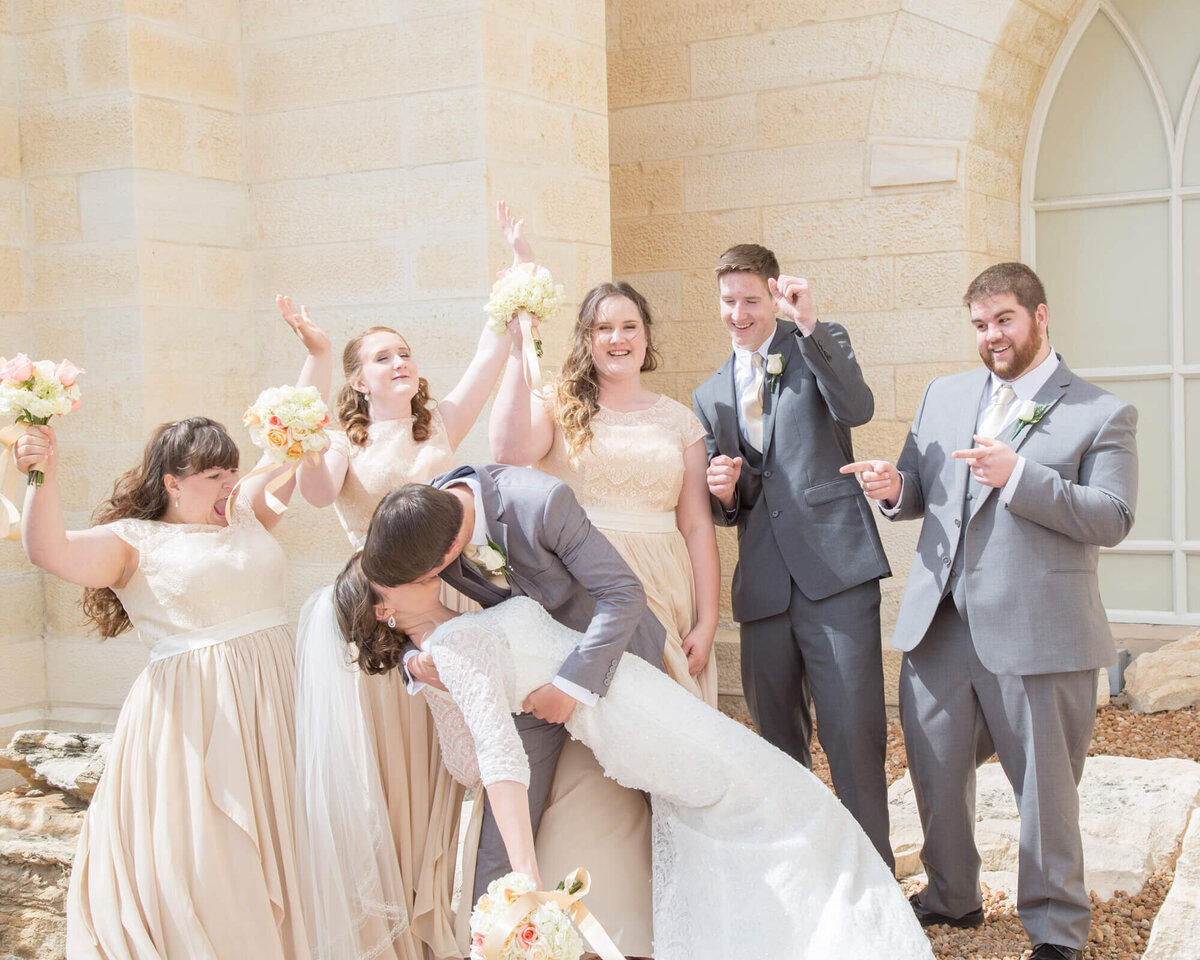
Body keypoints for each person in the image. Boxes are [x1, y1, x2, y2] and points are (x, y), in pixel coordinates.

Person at [323, 506, 936, 960]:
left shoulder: (458, 626)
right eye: (382, 572)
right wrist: (526, 879)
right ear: (383, 608)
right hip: (627, 721)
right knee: (773, 797)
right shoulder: (449, 649)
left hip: (640, 693)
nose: (396, 563)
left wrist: (418, 668)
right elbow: (489, 759)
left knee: (755, 803)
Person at [843, 262, 1138, 960]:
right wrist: (894, 488)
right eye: (980, 324)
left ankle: (1057, 930)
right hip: (939, 624)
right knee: (934, 767)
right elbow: (925, 486)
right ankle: (953, 896)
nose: (992, 336)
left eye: (1004, 319)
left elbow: (1114, 516)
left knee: (1045, 794)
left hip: (1039, 633)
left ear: (1040, 316)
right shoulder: (945, 394)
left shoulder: (1100, 412)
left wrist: (1022, 478)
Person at [14, 417, 310, 960]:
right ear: (173, 482)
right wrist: (40, 475)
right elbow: (48, 552)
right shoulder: (132, 541)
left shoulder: (245, 514)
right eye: (215, 474)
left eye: (234, 471)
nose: (230, 484)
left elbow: (293, 432)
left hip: (277, 701)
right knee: (213, 849)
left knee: (290, 836)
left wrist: (313, 353)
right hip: (196, 714)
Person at [691, 243, 893, 867]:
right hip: (764, 588)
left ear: (775, 296)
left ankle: (871, 877)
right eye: (729, 301)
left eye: (751, 300)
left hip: (836, 572)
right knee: (778, 740)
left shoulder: (815, 344)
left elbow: (858, 409)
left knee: (853, 732)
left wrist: (808, 325)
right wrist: (724, 493)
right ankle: (806, 871)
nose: (739, 313)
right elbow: (744, 497)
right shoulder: (709, 394)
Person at [489, 204, 721, 706]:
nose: (618, 338)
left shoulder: (680, 421)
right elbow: (507, 451)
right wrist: (517, 345)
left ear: (646, 337)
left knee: (663, 720)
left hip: (664, 584)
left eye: (629, 326)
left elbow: (698, 526)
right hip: (577, 580)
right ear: (587, 339)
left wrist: (708, 620)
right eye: (603, 328)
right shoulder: (557, 404)